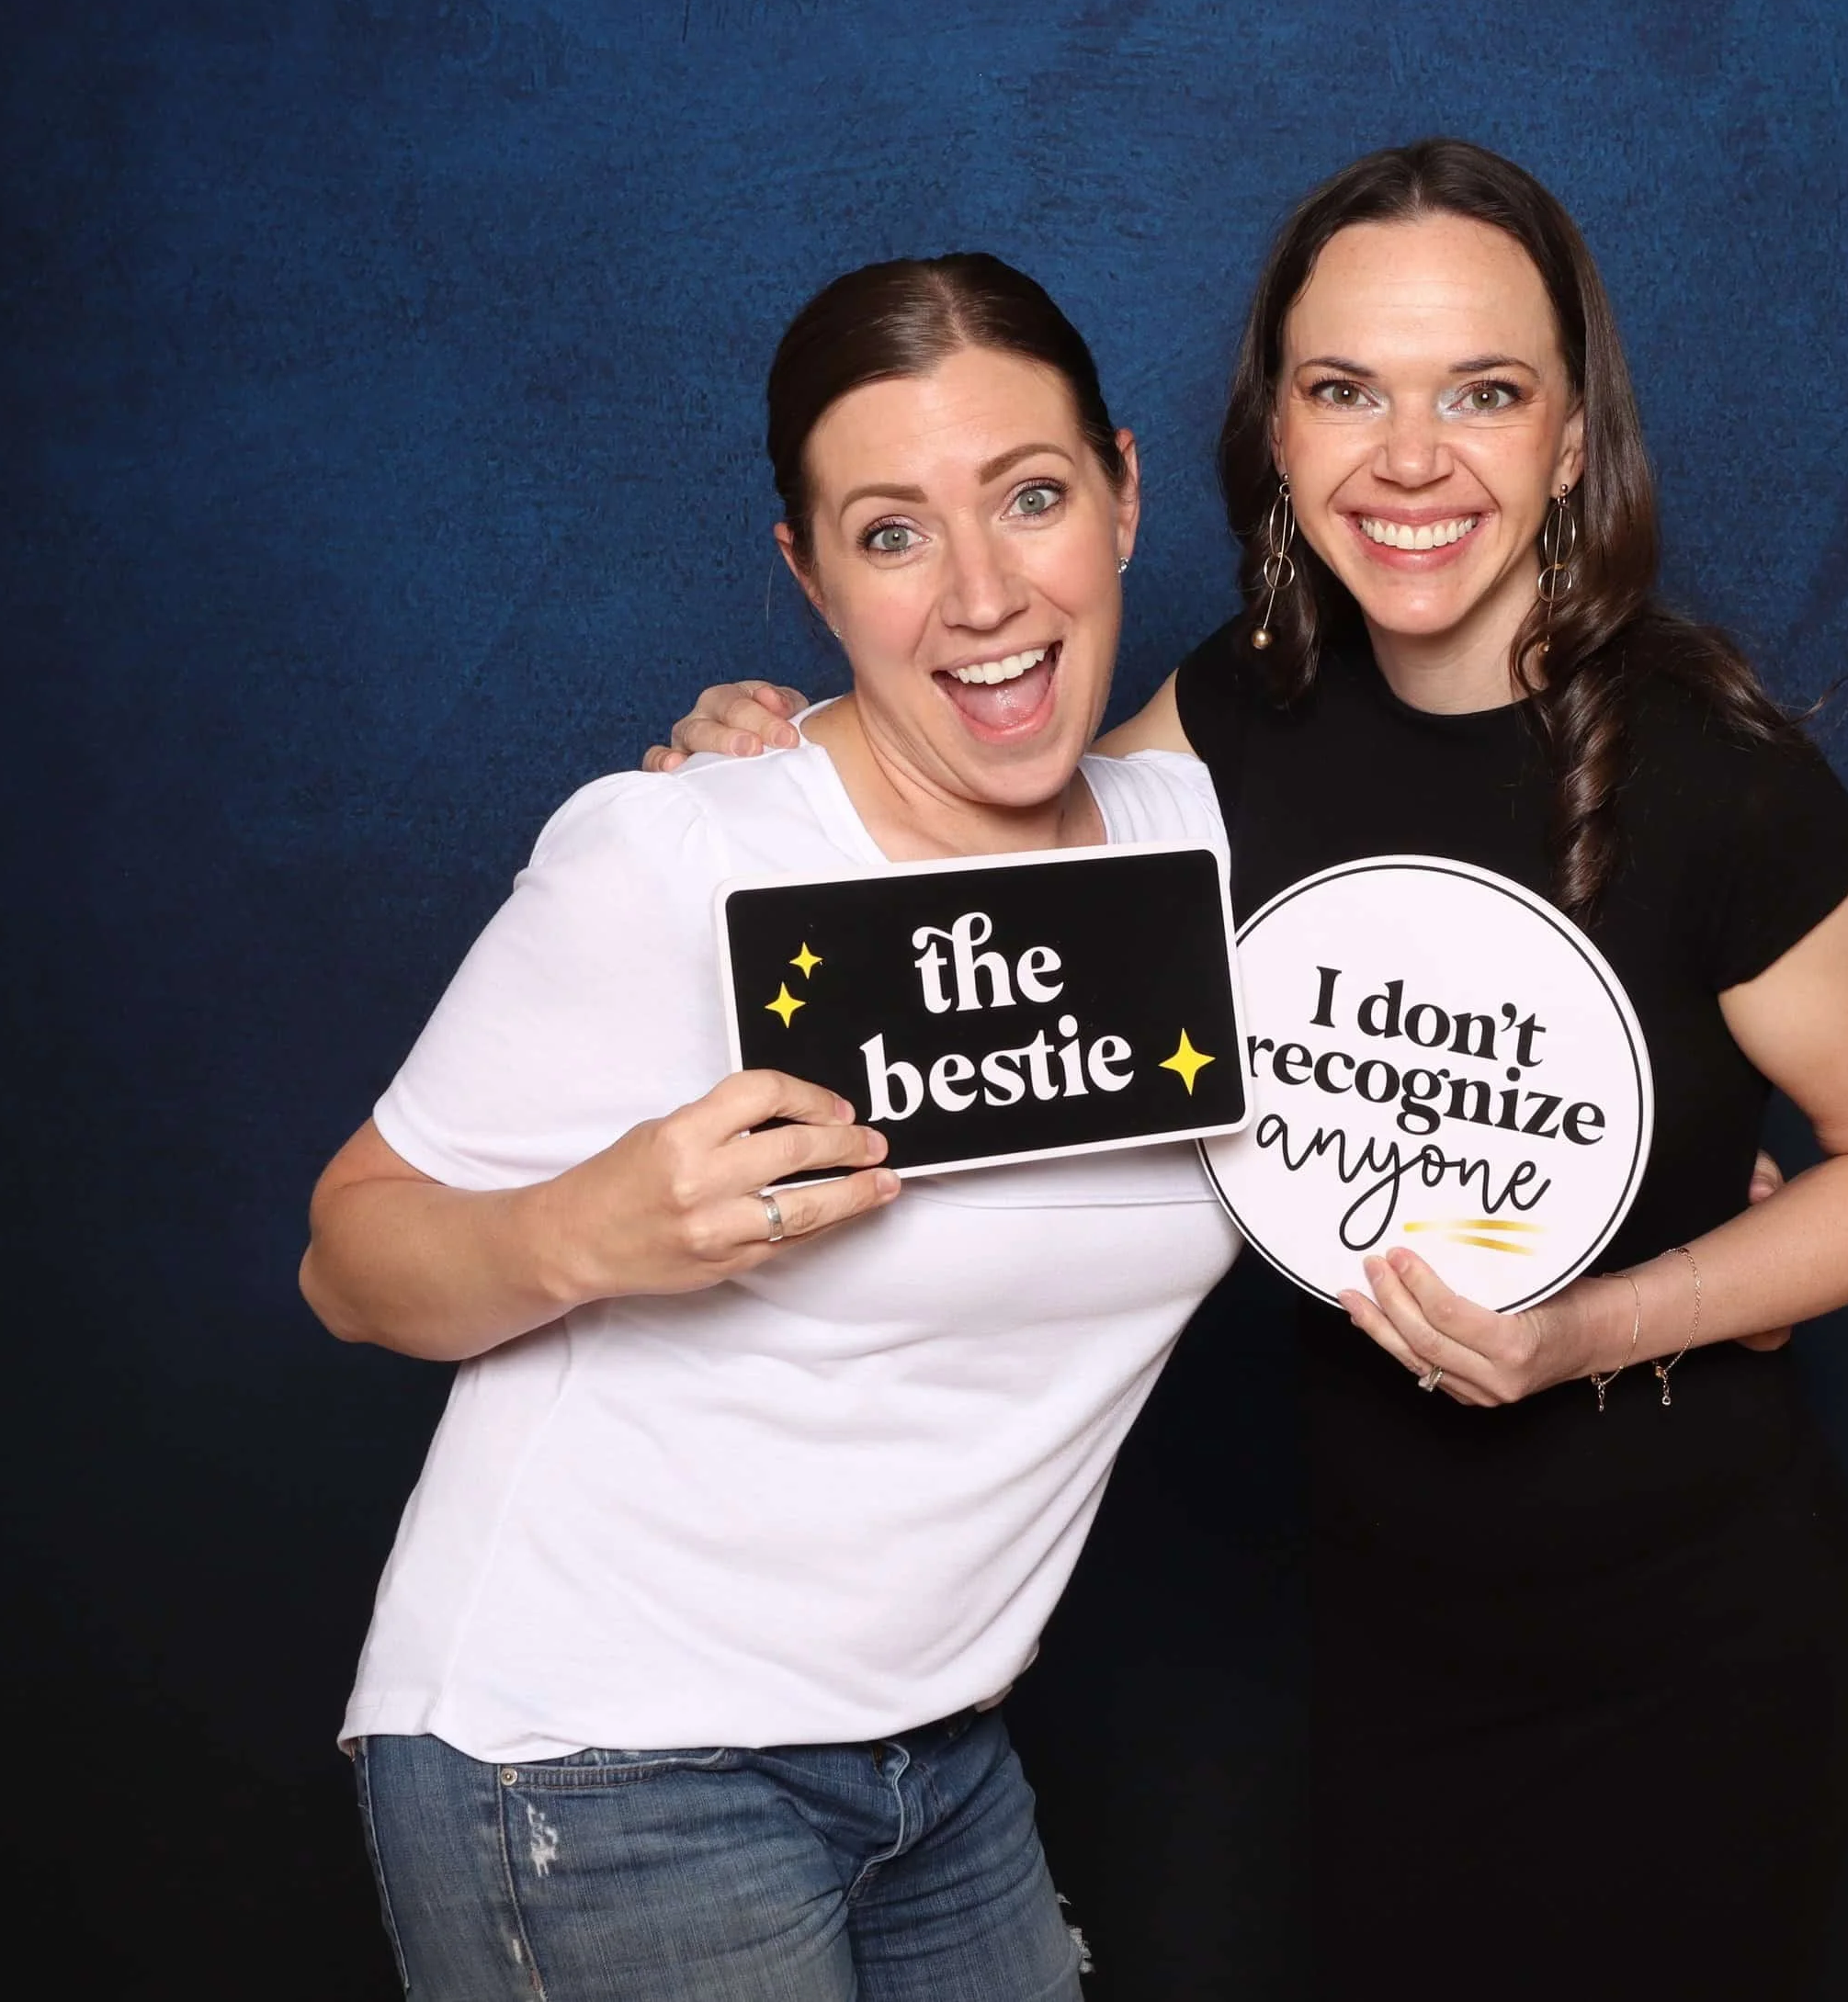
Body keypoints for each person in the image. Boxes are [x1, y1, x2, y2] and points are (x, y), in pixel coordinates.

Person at [651, 140, 1848, 1998]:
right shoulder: (1225, 716)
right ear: (1270, 433)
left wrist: (1610, 1318)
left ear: (1571, 437)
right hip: (1385, 1644)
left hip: (1690, 1660)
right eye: (1344, 390)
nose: (1411, 458)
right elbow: (985, 874)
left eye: (1483, 393)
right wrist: (779, 744)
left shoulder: (1714, 773)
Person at [300, 253, 1247, 2002]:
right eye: (893, 534)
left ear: (1122, 495)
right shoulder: (679, 854)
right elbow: (347, 1258)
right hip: (592, 1760)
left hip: (938, 1754)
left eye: (1030, 498)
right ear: (810, 576)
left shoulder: (1200, 850)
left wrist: (1650, 1190)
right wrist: (578, 1234)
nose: (980, 592)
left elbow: (1431, 1062)